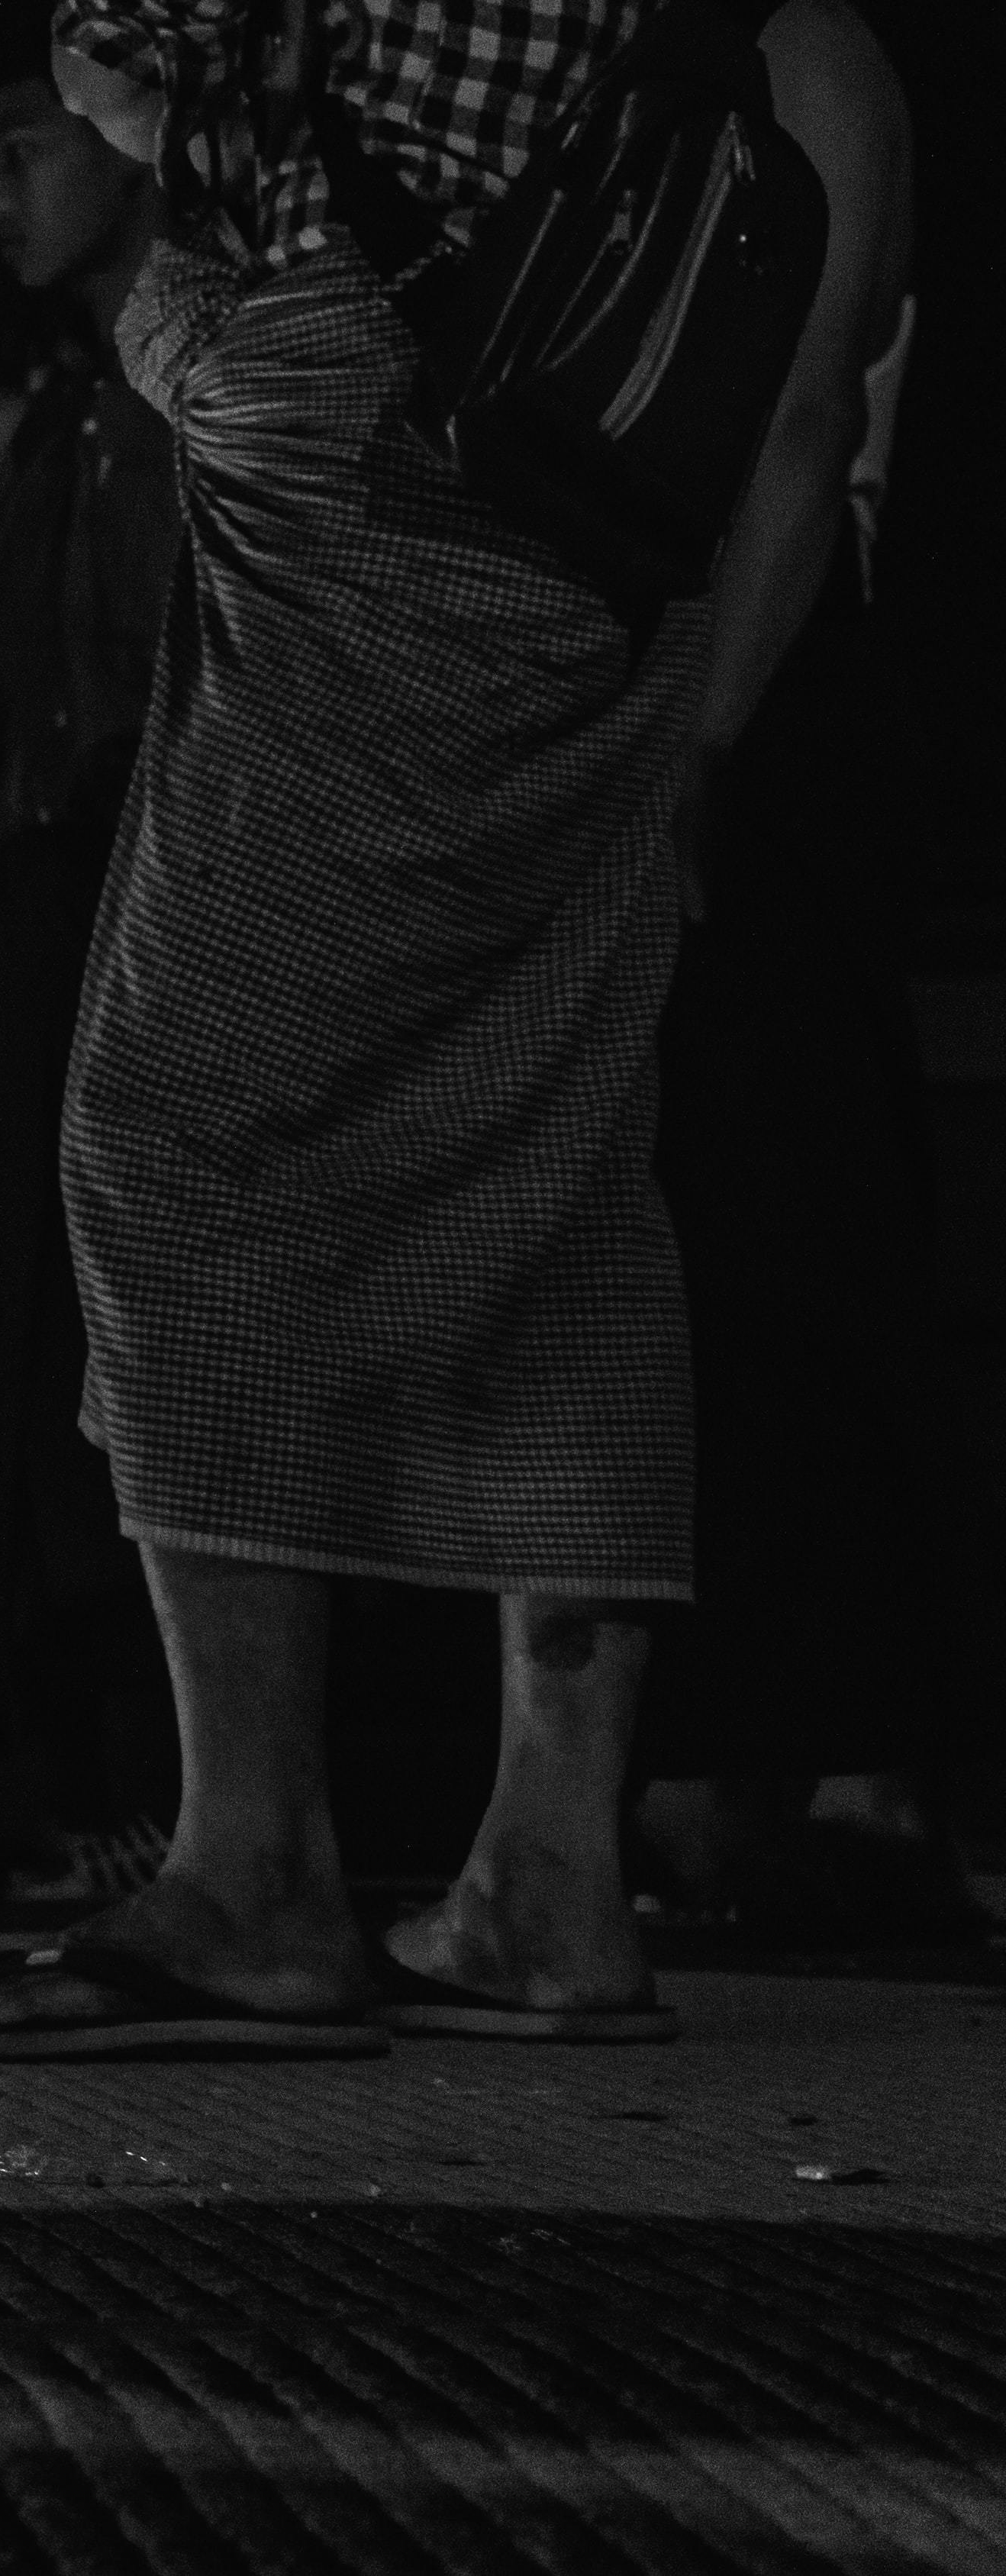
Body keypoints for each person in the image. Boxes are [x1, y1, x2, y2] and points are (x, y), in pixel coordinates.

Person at [0, 0, 916, 2055]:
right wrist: (687, 743)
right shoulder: (822, 51)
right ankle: (550, 1876)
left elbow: (110, 59)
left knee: (173, 1130)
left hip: (375, 472)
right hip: (623, 571)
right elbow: (807, 425)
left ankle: (253, 1864)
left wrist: (165, 171)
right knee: (562, 1168)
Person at [628, 21, 941, 1934]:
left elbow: (810, 424)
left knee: (804, 1201)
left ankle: (851, 1762)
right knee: (673, 1228)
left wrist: (707, 752)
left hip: (764, 676)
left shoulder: (812, 50)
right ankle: (704, 1766)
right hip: (642, 665)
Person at [0, 64, 182, 1902]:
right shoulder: (61, 418)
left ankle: (194, 1780)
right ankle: (95, 1756)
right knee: (54, 1322)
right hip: (53, 900)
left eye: (21, 149)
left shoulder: (202, 389)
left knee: (164, 1316)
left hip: (168, 878)